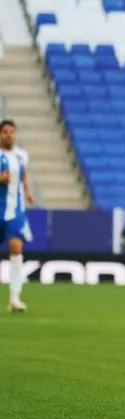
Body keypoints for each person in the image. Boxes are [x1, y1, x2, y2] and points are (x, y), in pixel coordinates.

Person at [0, 120, 34, 313]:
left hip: (15, 210)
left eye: (12, 132)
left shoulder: (22, 155)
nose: (9, 135)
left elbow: (23, 176)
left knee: (16, 247)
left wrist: (27, 192)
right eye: (5, 132)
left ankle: (15, 298)